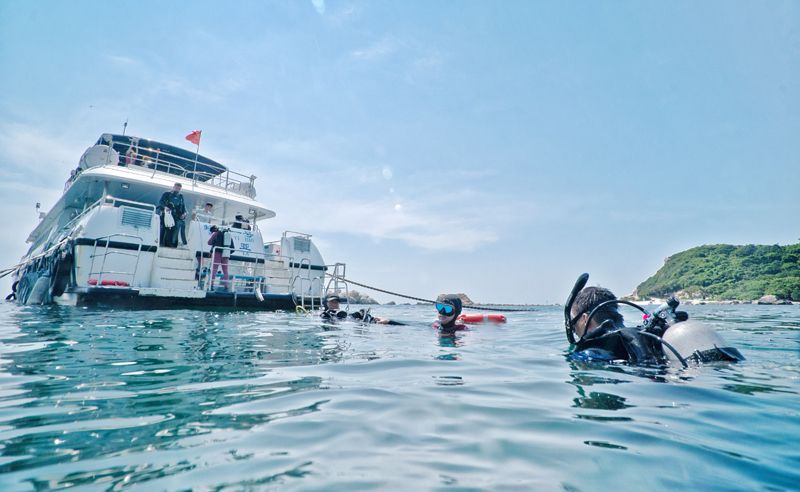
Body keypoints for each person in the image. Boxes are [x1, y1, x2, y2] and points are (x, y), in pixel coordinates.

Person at [564, 273, 744, 365]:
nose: (574, 330)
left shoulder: (593, 350)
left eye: (574, 323)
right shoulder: (644, 334)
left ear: (584, 318)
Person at [320, 294, 391, 324]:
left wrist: (376, 318)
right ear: (326, 303)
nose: (334, 304)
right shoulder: (323, 315)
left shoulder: (343, 313)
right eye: (332, 302)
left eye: (336, 302)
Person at [157, 183, 187, 248]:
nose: (177, 190)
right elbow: (160, 202)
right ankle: (161, 243)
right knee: (163, 229)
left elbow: (183, 206)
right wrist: (165, 207)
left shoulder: (181, 196)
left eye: (179, 189)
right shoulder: (167, 194)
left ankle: (171, 244)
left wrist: (184, 213)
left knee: (173, 230)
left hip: (175, 216)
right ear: (173, 187)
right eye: (176, 188)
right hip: (167, 214)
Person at [207, 225, 233, 290]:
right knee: (225, 271)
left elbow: (209, 242)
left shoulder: (215, 233)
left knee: (214, 270)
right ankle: (226, 286)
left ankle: (211, 285)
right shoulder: (226, 234)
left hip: (218, 252)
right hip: (226, 253)